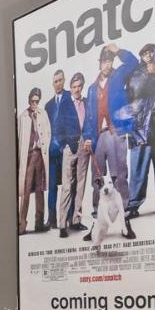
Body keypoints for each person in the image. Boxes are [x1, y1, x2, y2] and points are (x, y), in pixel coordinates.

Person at [82, 44, 138, 239]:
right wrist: (88, 138)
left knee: (119, 176)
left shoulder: (118, 76)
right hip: (98, 137)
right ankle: (96, 224)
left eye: (110, 60)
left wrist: (118, 50)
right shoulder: (91, 89)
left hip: (116, 133)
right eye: (104, 61)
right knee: (97, 180)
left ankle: (125, 222)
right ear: (99, 63)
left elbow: (133, 62)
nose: (107, 64)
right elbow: (89, 117)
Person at [124, 43, 155, 220]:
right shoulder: (135, 74)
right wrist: (151, 76)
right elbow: (135, 97)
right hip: (140, 130)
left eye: (150, 52)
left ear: (154, 53)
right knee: (137, 172)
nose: (148, 55)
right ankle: (133, 205)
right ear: (141, 56)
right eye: (144, 53)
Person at [44, 69, 78, 232]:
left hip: (65, 147)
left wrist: (70, 144)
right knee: (52, 185)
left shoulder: (69, 98)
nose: (58, 84)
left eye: (60, 80)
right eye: (55, 81)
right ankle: (51, 219)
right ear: (52, 83)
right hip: (52, 150)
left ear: (64, 81)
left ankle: (69, 218)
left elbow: (74, 121)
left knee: (68, 184)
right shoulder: (48, 105)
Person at [59, 72, 90, 237]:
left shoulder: (86, 102)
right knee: (67, 186)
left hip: (84, 148)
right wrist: (66, 145)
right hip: (70, 148)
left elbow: (90, 122)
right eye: (74, 87)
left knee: (80, 184)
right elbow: (58, 127)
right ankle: (63, 224)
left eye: (79, 86)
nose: (76, 90)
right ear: (70, 88)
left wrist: (89, 140)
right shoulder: (64, 105)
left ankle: (76, 221)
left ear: (82, 87)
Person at [17, 86, 50, 234]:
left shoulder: (43, 115)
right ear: (29, 100)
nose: (34, 104)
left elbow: (48, 134)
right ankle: (21, 224)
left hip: (40, 156)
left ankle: (39, 223)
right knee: (24, 191)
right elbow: (18, 139)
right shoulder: (23, 117)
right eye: (32, 101)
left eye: (37, 101)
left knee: (39, 190)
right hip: (28, 156)